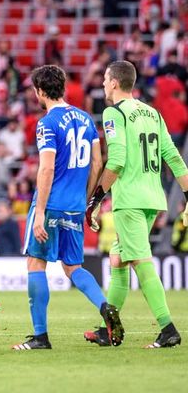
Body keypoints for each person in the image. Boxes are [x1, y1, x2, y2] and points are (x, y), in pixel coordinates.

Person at [12, 65, 123, 350]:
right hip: (74, 205)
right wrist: (85, 199)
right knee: (73, 265)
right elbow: (99, 163)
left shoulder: (47, 123)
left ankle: (40, 337)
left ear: (39, 91)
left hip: (50, 204)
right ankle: (104, 307)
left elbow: (46, 169)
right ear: (62, 87)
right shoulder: (86, 119)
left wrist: (38, 213)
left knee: (36, 263)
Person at [85, 60, 188, 349]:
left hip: (129, 199)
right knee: (118, 259)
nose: (104, 85)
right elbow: (173, 156)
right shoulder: (152, 112)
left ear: (115, 83)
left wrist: (95, 199)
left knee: (141, 262)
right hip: (153, 198)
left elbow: (116, 160)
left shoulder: (113, 112)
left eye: (106, 80)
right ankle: (110, 329)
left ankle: (168, 328)